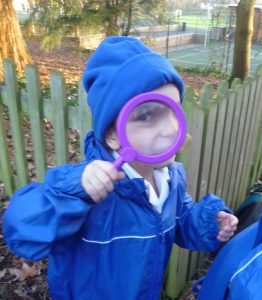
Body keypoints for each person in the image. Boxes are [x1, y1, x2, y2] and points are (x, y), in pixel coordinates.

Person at [3, 36, 238, 300]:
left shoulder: (172, 178)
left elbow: (180, 222)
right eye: (147, 115)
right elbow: (22, 232)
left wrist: (208, 222)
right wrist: (74, 191)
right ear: (113, 136)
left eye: (174, 110)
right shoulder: (91, 191)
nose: (171, 128)